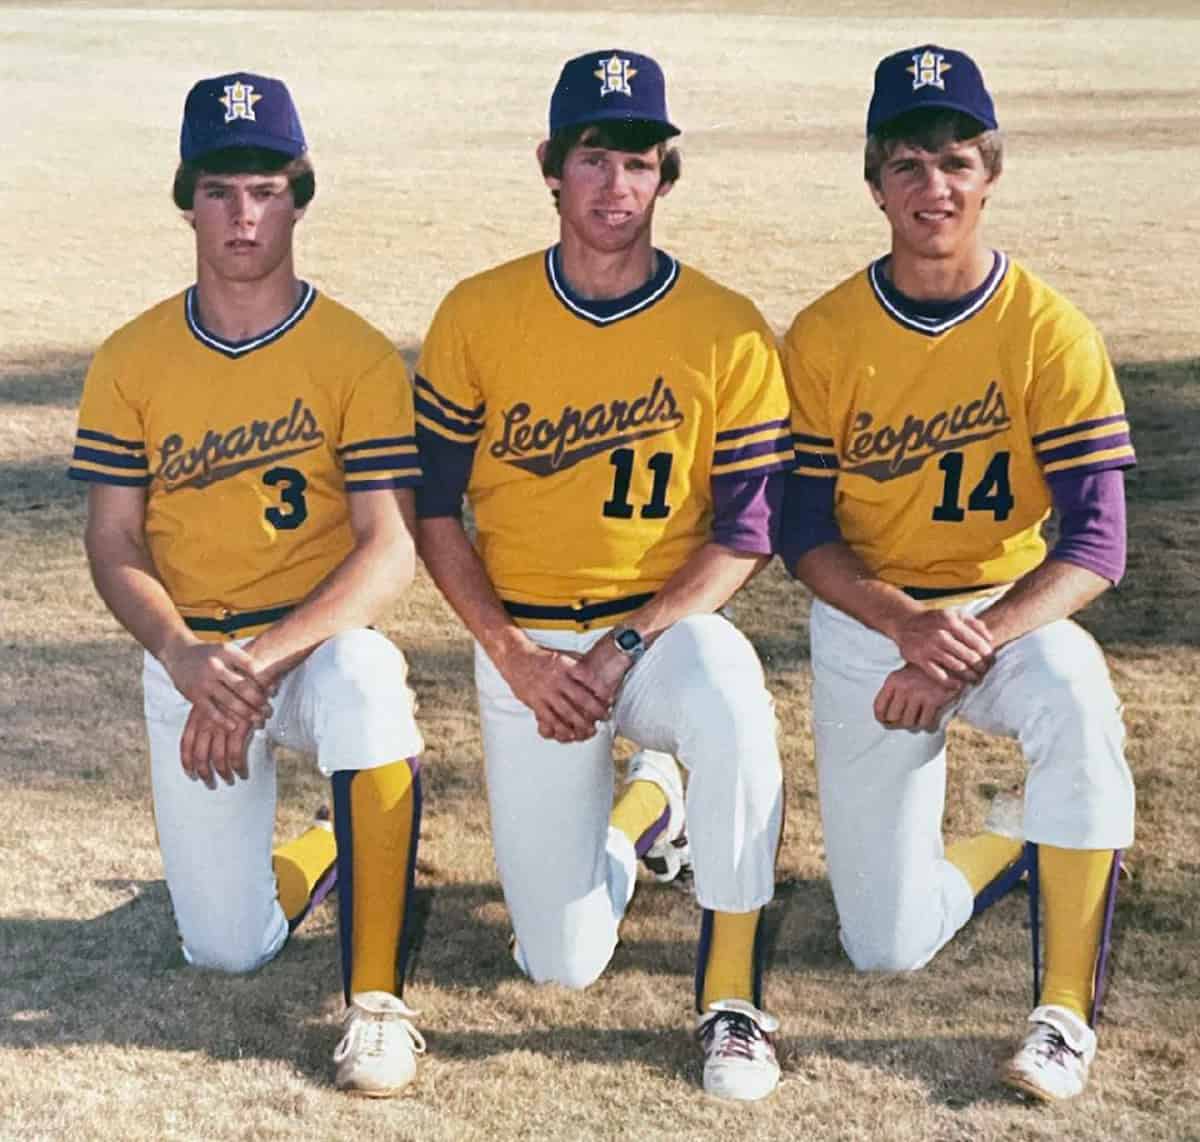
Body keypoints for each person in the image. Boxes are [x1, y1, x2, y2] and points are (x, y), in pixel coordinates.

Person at [415, 50, 791, 1101]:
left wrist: (629, 640)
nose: (616, 185)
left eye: (638, 161)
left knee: (729, 697)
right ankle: (649, 808)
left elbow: (747, 527)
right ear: (550, 167)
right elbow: (433, 509)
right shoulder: (479, 312)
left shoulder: (725, 326)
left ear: (666, 175)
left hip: (659, 633)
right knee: (562, 961)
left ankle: (733, 1001)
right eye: (593, 158)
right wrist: (516, 654)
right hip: (527, 644)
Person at [781, 45, 1136, 1102]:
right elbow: (800, 529)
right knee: (884, 946)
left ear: (989, 172)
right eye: (905, 164)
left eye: (954, 161)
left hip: (1006, 608)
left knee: (1078, 698)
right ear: (874, 182)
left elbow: (1099, 540)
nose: (932, 187)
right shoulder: (826, 333)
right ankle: (1012, 843)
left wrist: (962, 644)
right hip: (869, 615)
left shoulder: (1048, 330)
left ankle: (1064, 1014)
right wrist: (905, 626)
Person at [68, 72, 428, 1097]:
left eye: (267, 188)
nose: (244, 213)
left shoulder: (353, 352)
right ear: (187, 197)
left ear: (300, 196)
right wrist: (185, 654)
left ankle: (377, 1003)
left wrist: (258, 663)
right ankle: (334, 838)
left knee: (366, 678)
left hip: (304, 652)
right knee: (225, 951)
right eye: (221, 189)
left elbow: (388, 549)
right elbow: (113, 540)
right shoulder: (131, 357)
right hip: (188, 661)